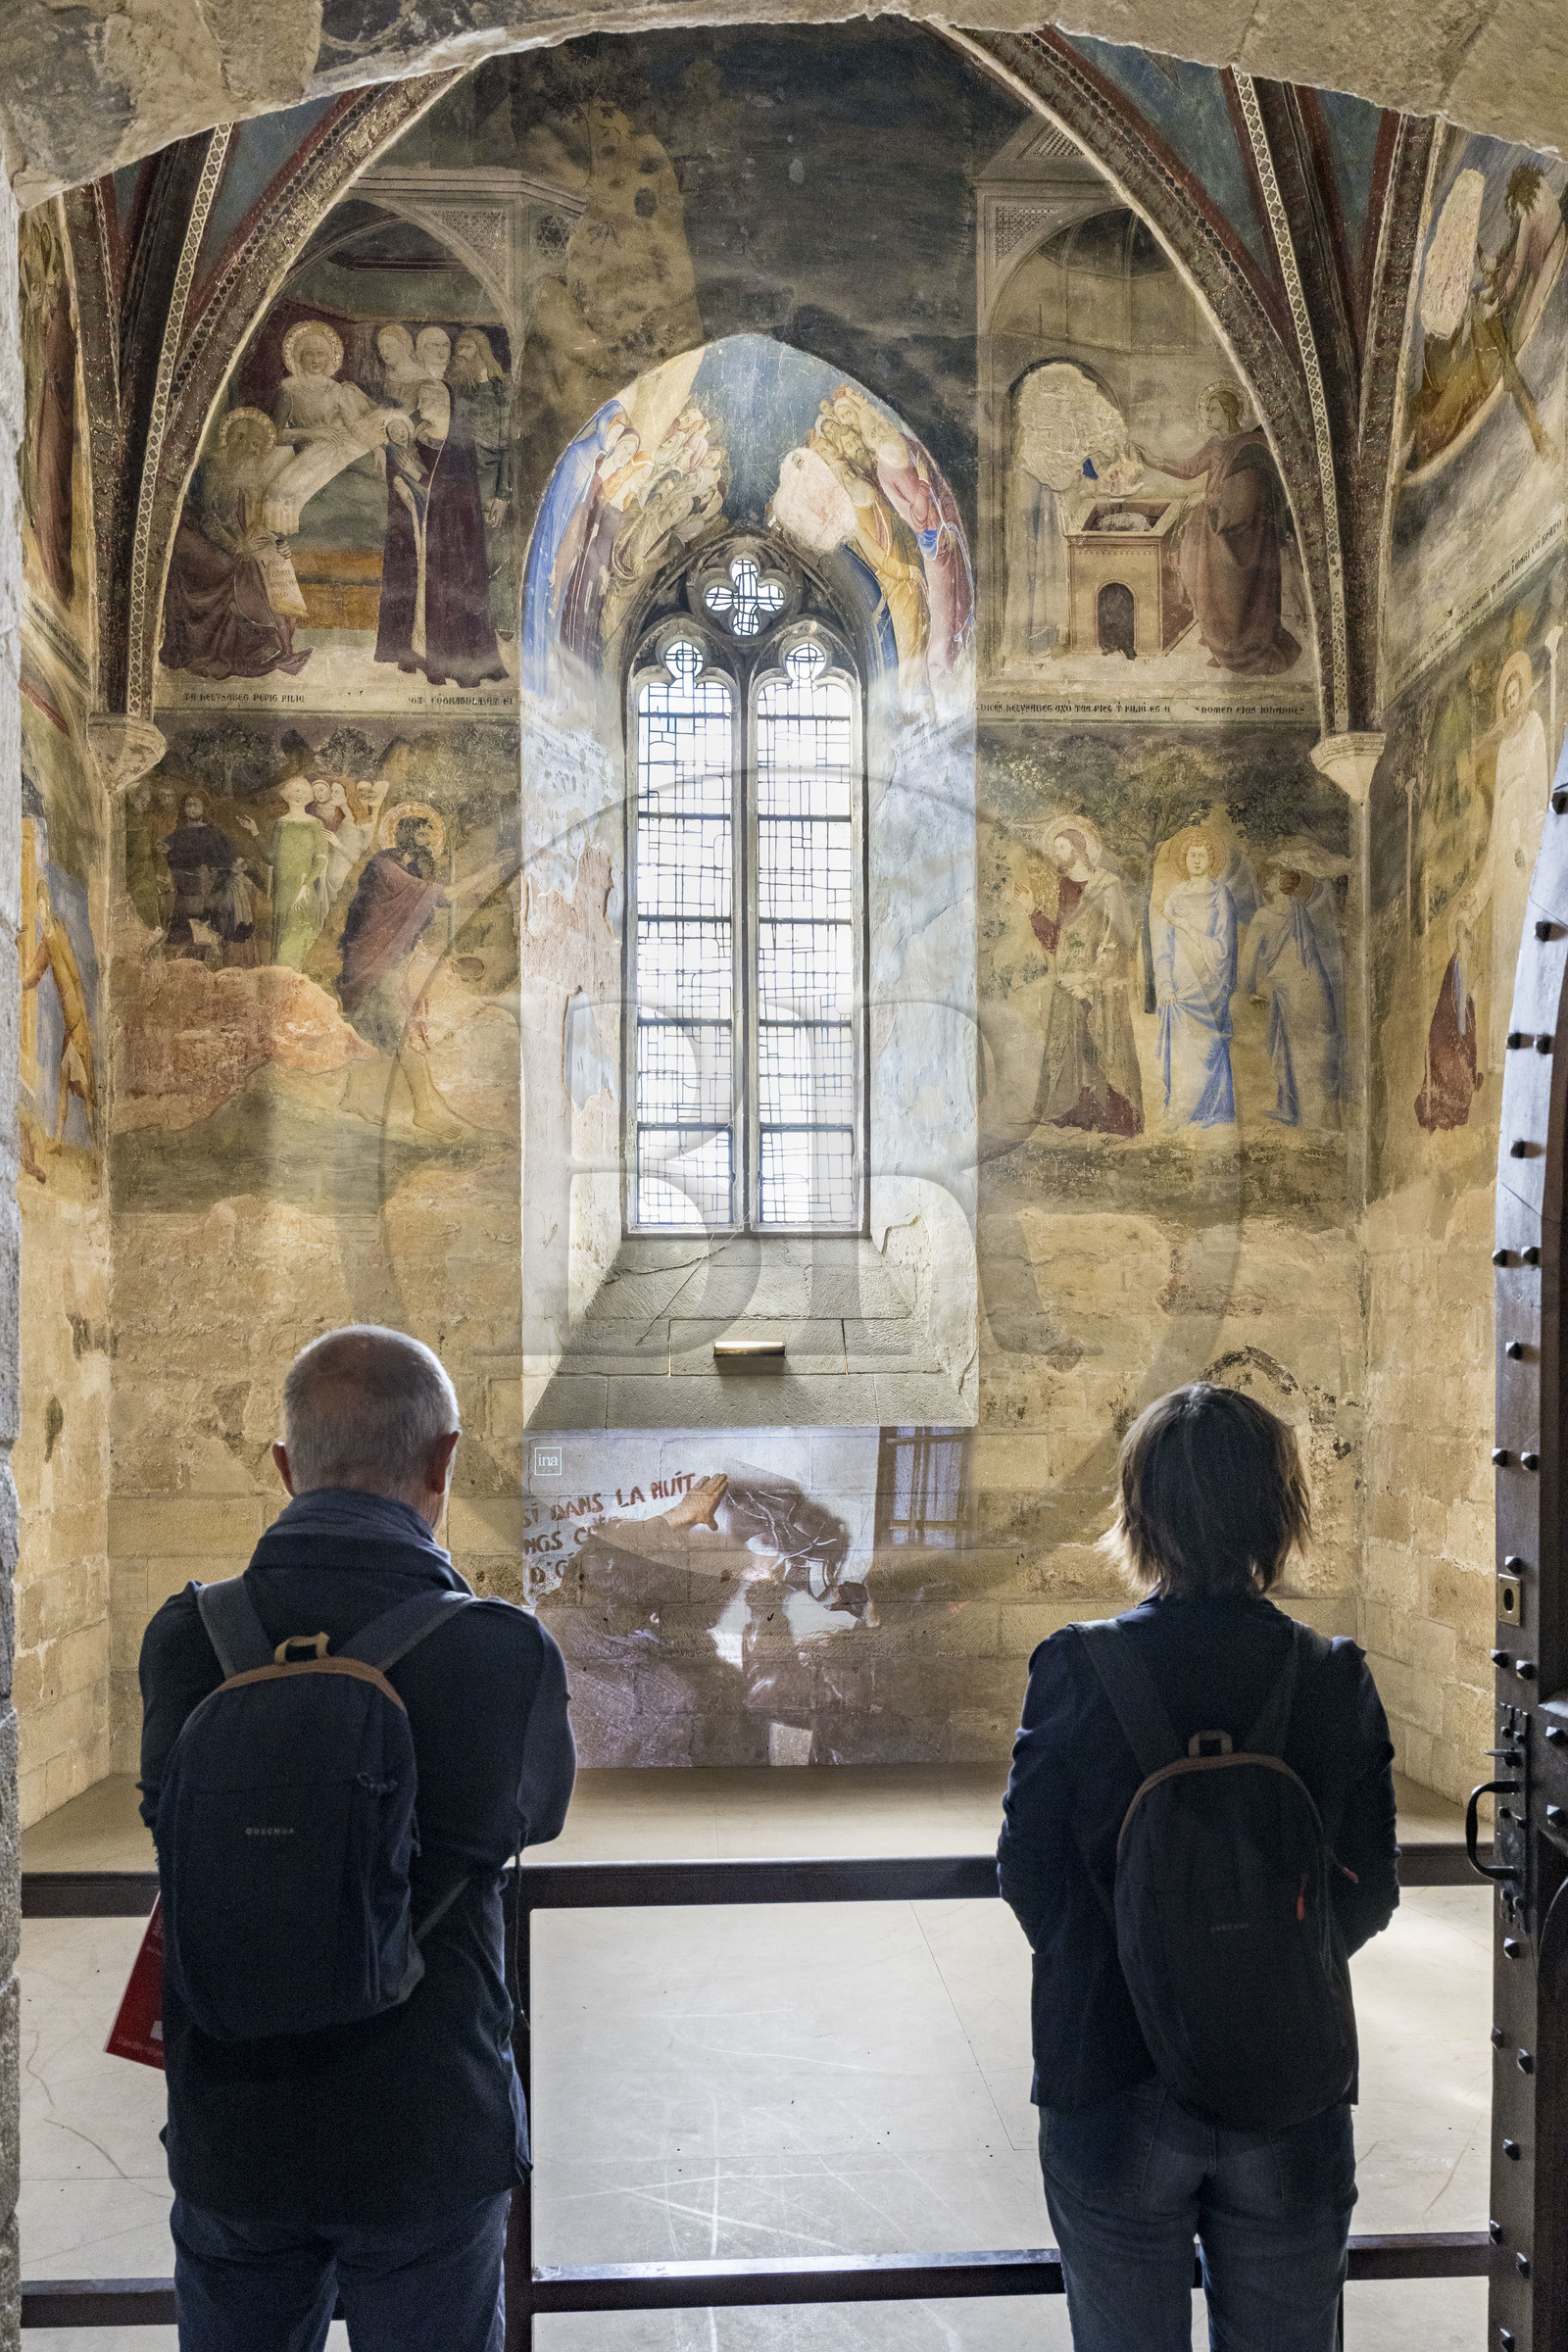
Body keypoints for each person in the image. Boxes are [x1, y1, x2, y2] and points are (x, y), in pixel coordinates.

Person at [138, 1325, 575, 2352]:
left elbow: (167, 1816)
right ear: (444, 1460)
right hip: (425, 2126)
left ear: (286, 1468)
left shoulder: (188, 1637)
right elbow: (534, 1815)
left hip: (234, 2122)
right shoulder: (497, 1651)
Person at [998, 1383, 1397, 2352]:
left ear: (1142, 1510)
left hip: (1106, 2063)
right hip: (1287, 2077)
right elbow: (1371, 1889)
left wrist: (1133, 1955)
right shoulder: (1330, 1674)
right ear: (1279, 1509)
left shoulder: (1075, 1666)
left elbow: (1031, 1873)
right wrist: (1258, 1955)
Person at [1141, 386, 1300, 675]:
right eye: (1206, 410)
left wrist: (1207, 498)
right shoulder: (1215, 444)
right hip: (1216, 530)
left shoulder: (1252, 445)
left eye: (1212, 409)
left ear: (1229, 412)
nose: (1207, 415)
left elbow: (1247, 497)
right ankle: (1223, 645)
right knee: (1207, 583)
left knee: (1237, 593)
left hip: (1247, 535)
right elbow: (1190, 468)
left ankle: (1243, 649)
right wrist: (1153, 460)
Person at [159, 410, 312, 683]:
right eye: (251, 443)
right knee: (241, 565)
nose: (255, 451)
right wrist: (239, 547)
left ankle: (279, 648)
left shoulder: (241, 476)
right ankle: (251, 650)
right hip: (192, 540)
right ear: (236, 438)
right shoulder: (215, 465)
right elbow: (208, 520)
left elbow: (249, 522)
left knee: (269, 561)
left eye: (259, 447)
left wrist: (278, 544)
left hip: (223, 538)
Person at [1028, 822, 1144, 1136]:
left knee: (1100, 1047)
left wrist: (1090, 982)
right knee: (1073, 1049)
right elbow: (1056, 940)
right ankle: (1076, 1113)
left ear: (1079, 848)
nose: (1056, 852)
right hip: (1067, 982)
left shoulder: (1108, 885)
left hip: (1098, 984)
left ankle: (1114, 1119)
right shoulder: (1062, 886)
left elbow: (1116, 940)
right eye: (1054, 847)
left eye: (1062, 846)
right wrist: (1033, 913)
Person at [1155, 827, 1239, 1128]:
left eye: (1203, 855)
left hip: (1212, 984)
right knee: (1181, 1048)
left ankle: (1210, 1112)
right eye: (1192, 855)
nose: (1197, 860)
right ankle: (1178, 1111)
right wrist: (1164, 983)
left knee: (1208, 1046)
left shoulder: (1220, 895)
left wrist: (1187, 927)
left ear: (1212, 860)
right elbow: (1163, 946)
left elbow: (1223, 948)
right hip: (1180, 986)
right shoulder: (1175, 897)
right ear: (1184, 859)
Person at [22, 880, 96, 1150]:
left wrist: (85, 1024)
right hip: (69, 1025)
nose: (40, 913)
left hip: (76, 1024)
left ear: (48, 905)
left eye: (42, 907)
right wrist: (16, 981)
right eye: (37, 908)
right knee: (64, 1083)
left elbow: (76, 978)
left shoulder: (59, 934)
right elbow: (33, 975)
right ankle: (60, 1139)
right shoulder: (46, 942)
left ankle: (95, 1145)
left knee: (86, 1092)